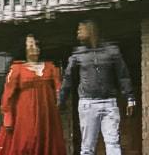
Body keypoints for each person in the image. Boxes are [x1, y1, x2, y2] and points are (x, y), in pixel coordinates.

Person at [58, 20, 136, 155]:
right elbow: (68, 77)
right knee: (87, 147)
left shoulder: (111, 51)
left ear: (91, 30)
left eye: (80, 29)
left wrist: (130, 98)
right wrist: (61, 99)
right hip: (88, 103)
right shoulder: (78, 53)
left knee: (113, 144)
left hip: (109, 103)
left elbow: (123, 75)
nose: (78, 33)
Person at [0, 34, 66, 155]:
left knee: (47, 143)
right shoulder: (17, 69)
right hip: (24, 115)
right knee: (26, 142)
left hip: (47, 115)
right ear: (24, 49)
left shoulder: (50, 67)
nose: (34, 47)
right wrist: (8, 117)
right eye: (31, 44)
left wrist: (60, 98)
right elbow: (8, 96)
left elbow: (58, 87)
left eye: (36, 44)